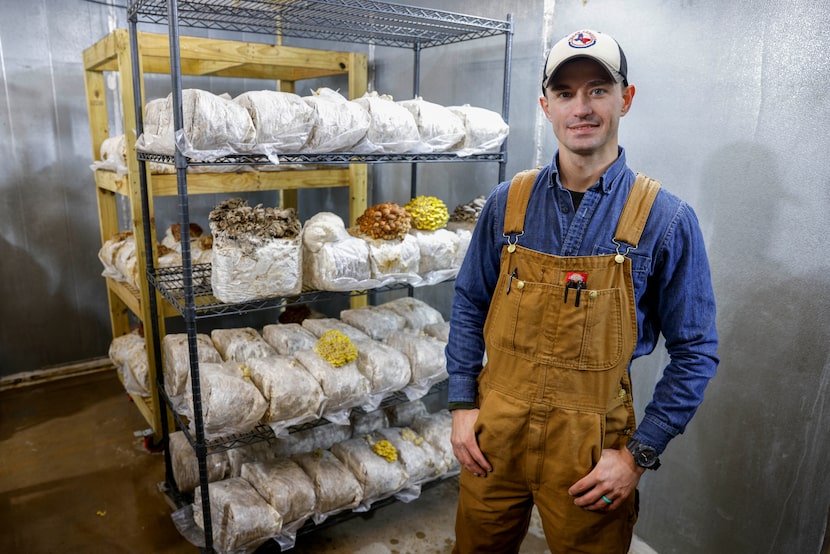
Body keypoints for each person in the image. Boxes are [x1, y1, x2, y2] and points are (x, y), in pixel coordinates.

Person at [446, 29, 719, 553]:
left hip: (590, 453)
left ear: (626, 98)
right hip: (494, 438)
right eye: (566, 93)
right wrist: (461, 401)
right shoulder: (508, 203)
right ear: (546, 106)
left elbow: (696, 350)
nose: (582, 107)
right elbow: (469, 300)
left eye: (598, 88)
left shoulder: (665, 218)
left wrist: (639, 453)